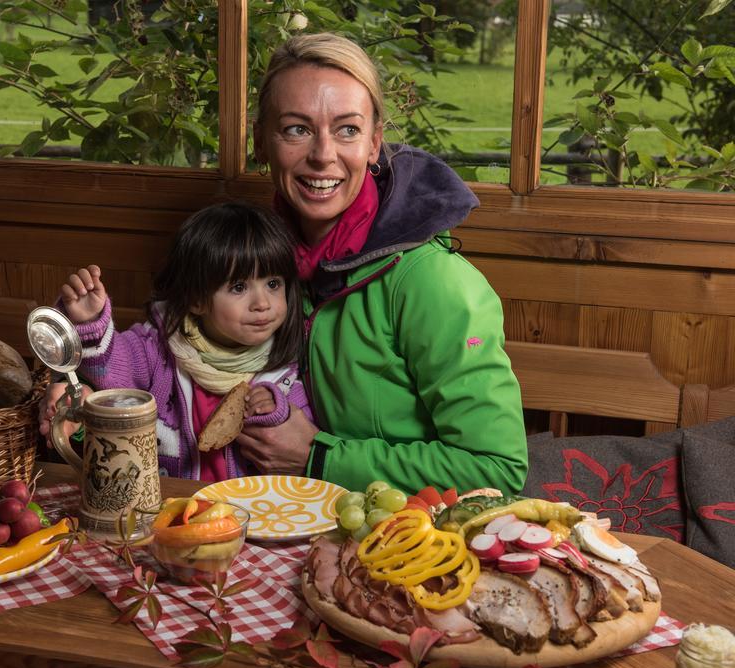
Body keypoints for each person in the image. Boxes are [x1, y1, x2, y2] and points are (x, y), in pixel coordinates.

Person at [236, 32, 528, 495]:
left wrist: (319, 456)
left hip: (409, 537)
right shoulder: (255, 265)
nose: (323, 155)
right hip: (281, 516)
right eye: (297, 129)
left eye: (347, 130)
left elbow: (497, 470)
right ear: (261, 140)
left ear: (374, 144)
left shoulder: (433, 281)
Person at [38, 201, 313, 480]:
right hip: (169, 507)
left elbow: (299, 440)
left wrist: (274, 411)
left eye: (273, 284)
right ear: (196, 299)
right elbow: (111, 367)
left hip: (250, 512)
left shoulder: (286, 373)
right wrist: (89, 321)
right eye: (239, 287)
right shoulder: (157, 348)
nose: (263, 303)